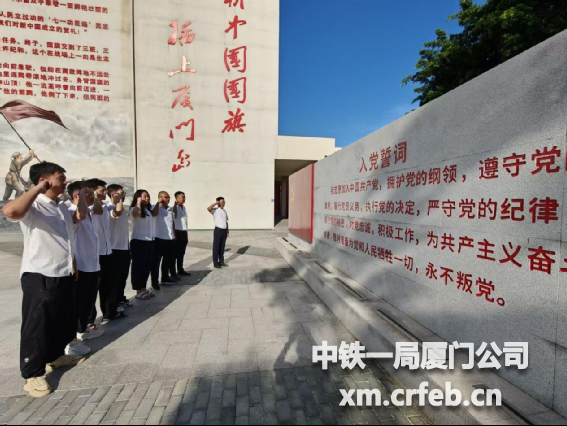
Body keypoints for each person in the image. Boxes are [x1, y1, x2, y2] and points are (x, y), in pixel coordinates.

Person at [2, 162, 86, 398]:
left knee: (62, 320)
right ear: (44, 180)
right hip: (40, 274)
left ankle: (56, 356)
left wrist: (73, 263)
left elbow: (68, 234)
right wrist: (37, 189)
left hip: (63, 272)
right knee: (38, 325)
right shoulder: (34, 205)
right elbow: (9, 211)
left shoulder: (60, 207)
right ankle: (32, 374)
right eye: (61, 178)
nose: (65, 182)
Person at [66, 181, 105, 355]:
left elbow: (98, 209)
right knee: (78, 303)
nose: (92, 197)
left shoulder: (89, 211)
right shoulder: (71, 211)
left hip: (92, 264)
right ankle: (74, 336)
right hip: (81, 265)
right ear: (77, 196)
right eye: (89, 194)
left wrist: (90, 197)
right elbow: (79, 215)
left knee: (88, 301)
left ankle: (83, 329)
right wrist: (82, 195)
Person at [85, 179, 124, 322]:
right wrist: (94, 197)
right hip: (95, 254)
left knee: (109, 285)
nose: (105, 193)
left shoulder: (106, 206)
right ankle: (89, 320)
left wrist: (118, 198)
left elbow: (117, 211)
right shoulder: (89, 207)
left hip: (107, 252)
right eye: (102, 191)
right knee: (92, 288)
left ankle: (109, 312)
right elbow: (97, 210)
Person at [107, 184, 132, 310]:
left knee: (123, 276)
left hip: (124, 248)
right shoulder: (109, 207)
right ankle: (115, 301)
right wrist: (119, 200)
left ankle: (120, 297)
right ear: (113, 195)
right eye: (121, 193)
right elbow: (117, 212)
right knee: (115, 278)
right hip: (114, 248)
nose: (124, 195)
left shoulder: (120, 208)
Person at [131, 190, 159, 300]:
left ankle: (143, 288)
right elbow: (136, 214)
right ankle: (138, 291)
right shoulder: (134, 208)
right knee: (138, 267)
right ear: (138, 197)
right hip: (139, 241)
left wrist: (158, 202)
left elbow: (156, 213)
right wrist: (138, 202)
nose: (147, 198)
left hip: (149, 241)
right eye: (144, 196)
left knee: (146, 266)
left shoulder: (148, 210)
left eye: (148, 196)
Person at [151, 191, 177, 290]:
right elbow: (154, 214)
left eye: (168, 197)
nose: (167, 199)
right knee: (156, 262)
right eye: (165, 197)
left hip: (169, 238)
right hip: (159, 238)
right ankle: (154, 282)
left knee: (167, 260)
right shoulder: (155, 207)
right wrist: (158, 203)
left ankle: (165, 278)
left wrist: (174, 235)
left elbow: (172, 222)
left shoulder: (170, 209)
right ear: (160, 197)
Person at [207, 197, 229, 269]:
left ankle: (221, 261)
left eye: (224, 202)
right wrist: (216, 203)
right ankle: (216, 263)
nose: (223, 203)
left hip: (224, 231)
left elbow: (226, 221)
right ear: (218, 202)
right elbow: (208, 209)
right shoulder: (215, 210)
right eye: (222, 202)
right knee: (216, 247)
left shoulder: (224, 211)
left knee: (222, 247)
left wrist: (227, 231)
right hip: (218, 231)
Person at [172, 191, 191, 277]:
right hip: (177, 232)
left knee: (181, 253)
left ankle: (180, 269)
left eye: (184, 197)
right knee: (174, 254)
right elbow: (174, 216)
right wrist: (175, 205)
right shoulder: (174, 208)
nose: (184, 198)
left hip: (184, 232)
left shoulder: (183, 208)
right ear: (177, 198)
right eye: (182, 197)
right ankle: (173, 272)